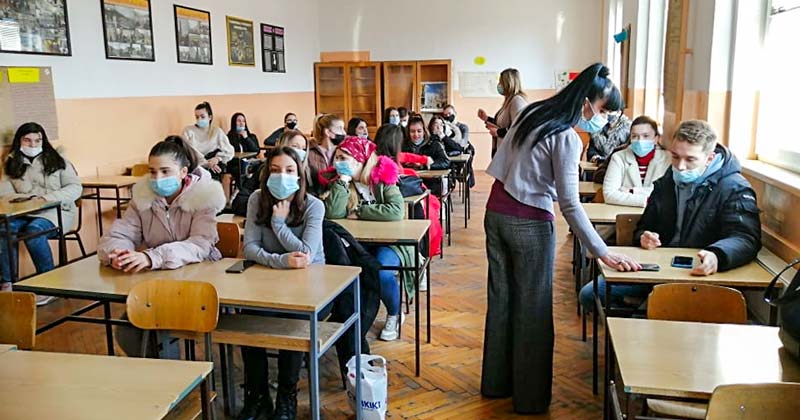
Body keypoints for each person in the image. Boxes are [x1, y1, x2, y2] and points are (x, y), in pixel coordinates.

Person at [483, 63, 641, 414]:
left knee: (502, 301)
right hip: (529, 223)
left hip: (495, 213)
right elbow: (570, 203)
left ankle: (495, 384)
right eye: (602, 110)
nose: (602, 119)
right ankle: (529, 400)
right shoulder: (566, 136)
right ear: (585, 102)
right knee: (533, 310)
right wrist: (602, 251)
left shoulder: (532, 112)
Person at [580, 120, 762, 310]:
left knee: (656, 315)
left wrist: (718, 255)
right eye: (675, 156)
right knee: (590, 295)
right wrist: (643, 236)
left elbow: (746, 237)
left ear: (709, 158)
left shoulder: (734, 188)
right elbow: (645, 225)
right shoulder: (667, 180)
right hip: (659, 267)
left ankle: (642, 312)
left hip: (701, 273)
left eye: (690, 159)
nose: (680, 166)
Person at [98, 135, 225, 357]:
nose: (157, 178)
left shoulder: (204, 197)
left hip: (199, 281)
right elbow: (121, 233)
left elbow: (200, 244)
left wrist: (151, 257)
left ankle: (174, 374)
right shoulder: (142, 199)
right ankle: (161, 373)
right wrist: (118, 253)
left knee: (157, 325)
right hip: (159, 280)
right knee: (129, 331)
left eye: (165, 171)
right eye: (153, 171)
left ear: (183, 172)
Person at [238, 147, 325, 420]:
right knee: (248, 320)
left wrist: (278, 224)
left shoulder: (314, 205)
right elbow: (249, 248)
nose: (282, 176)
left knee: (292, 322)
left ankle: (287, 397)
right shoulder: (257, 199)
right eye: (275, 170)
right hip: (265, 282)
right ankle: (257, 395)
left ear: (299, 175)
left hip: (308, 287)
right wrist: (281, 261)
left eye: (289, 170)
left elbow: (306, 254)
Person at [322, 136, 412, 341]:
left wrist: (360, 211)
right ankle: (351, 317)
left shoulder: (382, 178)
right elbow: (334, 213)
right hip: (358, 243)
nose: (338, 162)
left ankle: (395, 313)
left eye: (343, 158)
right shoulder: (343, 184)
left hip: (390, 242)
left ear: (359, 159)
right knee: (347, 270)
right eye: (337, 158)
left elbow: (396, 210)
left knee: (381, 271)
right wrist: (343, 182)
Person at [0, 122, 81, 303]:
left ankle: (49, 285)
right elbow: (4, 194)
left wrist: (46, 198)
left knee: (34, 231)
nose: (33, 145)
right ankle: (8, 282)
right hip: (25, 212)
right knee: (4, 229)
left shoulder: (59, 161)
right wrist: (28, 199)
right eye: (27, 140)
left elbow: (75, 188)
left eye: (37, 140)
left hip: (57, 212)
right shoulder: (11, 163)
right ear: (19, 141)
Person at [601, 115, 670, 207]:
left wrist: (632, 191)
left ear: (656, 139)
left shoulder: (668, 159)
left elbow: (666, 194)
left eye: (646, 136)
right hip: (623, 213)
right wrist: (647, 200)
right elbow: (609, 195)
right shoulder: (618, 157)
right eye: (635, 136)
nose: (640, 140)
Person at [478, 68, 528, 156]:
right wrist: (487, 118)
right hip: (503, 151)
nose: (499, 85)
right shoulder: (509, 100)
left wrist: (497, 132)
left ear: (509, 83)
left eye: (501, 82)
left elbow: (520, 128)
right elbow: (503, 124)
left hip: (512, 153)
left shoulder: (517, 101)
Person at [182, 101, 234, 186]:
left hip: (213, 163)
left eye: (202, 117)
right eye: (197, 117)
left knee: (215, 178)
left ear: (210, 117)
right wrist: (206, 163)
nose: (199, 119)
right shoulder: (188, 131)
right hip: (195, 164)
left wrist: (217, 159)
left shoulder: (217, 131)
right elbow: (187, 150)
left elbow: (229, 151)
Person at [401, 115, 451, 195]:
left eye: (419, 131)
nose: (416, 134)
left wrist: (425, 165)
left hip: (431, 183)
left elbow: (446, 162)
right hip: (409, 183)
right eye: (412, 131)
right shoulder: (403, 146)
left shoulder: (434, 144)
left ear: (424, 131)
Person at [308, 114, 345, 195]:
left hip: (339, 195)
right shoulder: (310, 153)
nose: (344, 133)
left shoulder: (343, 152)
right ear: (328, 132)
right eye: (340, 128)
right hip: (316, 196)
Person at [227, 112, 260, 181]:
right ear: (234, 123)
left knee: (260, 166)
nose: (241, 123)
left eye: (243, 121)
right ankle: (243, 187)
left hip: (250, 162)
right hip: (236, 164)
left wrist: (246, 138)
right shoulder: (229, 137)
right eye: (239, 121)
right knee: (242, 169)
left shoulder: (251, 136)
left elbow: (256, 150)